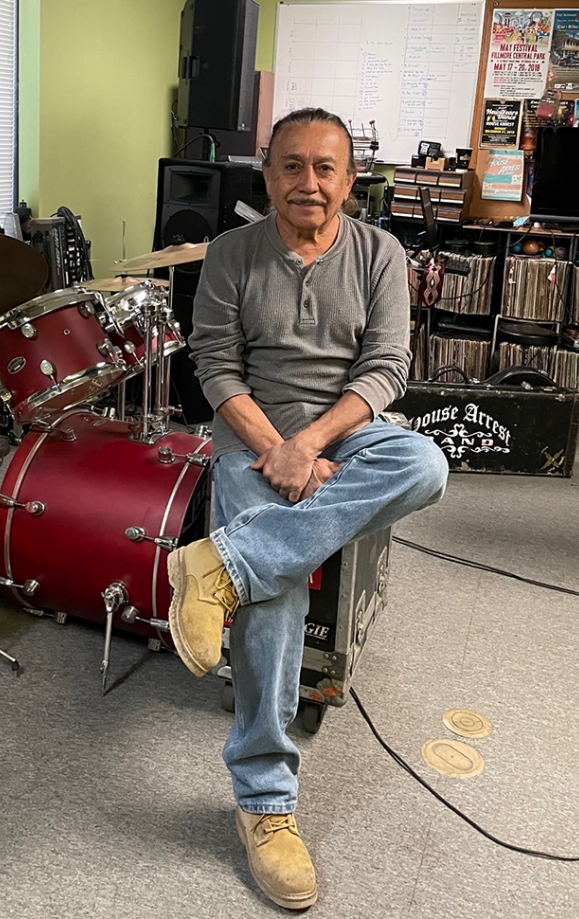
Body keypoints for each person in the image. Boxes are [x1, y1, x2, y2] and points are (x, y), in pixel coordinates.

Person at [165, 108, 448, 910]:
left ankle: (222, 563)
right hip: (253, 434)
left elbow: (389, 365)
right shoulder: (230, 254)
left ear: (349, 181)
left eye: (325, 168)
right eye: (292, 167)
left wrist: (316, 440)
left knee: (425, 461)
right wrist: (274, 446)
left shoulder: (379, 253)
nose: (308, 183)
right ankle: (266, 804)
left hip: (347, 432)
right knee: (279, 594)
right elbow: (214, 363)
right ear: (269, 177)